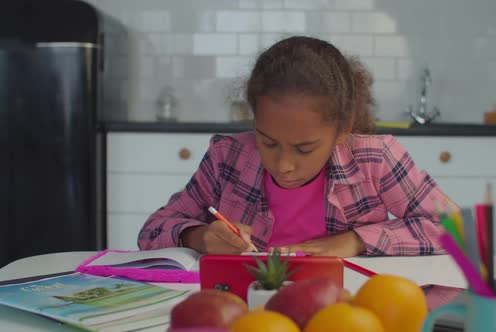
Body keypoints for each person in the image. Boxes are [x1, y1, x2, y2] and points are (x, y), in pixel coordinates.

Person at [138, 36, 455, 257]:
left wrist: (356, 240)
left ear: (342, 130)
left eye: (304, 149)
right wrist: (199, 237)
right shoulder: (227, 157)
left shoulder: (376, 159)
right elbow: (153, 229)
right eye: (268, 141)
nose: (283, 165)